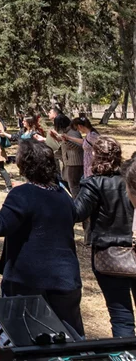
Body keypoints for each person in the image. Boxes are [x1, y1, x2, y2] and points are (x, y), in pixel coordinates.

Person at [0, 139, 84, 337]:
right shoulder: (62, 195)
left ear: (24, 165)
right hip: (65, 277)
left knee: (22, 337)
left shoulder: (22, 194)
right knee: (71, 337)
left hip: (27, 279)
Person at [72, 136, 136, 337]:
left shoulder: (93, 184)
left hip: (108, 255)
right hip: (133, 249)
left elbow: (77, 213)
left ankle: (126, 352)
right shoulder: (129, 179)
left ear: (95, 156)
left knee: (121, 316)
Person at [48, 114, 84, 196]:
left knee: (73, 185)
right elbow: (64, 142)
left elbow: (79, 146)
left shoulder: (72, 132)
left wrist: (66, 140)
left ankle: (77, 201)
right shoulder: (67, 132)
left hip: (75, 162)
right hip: (69, 162)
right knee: (68, 182)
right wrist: (56, 138)